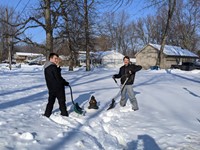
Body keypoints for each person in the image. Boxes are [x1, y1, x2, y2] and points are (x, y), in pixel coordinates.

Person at [43, 53, 69, 118]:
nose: (56, 60)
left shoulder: (46, 67)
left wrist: (58, 67)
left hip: (51, 87)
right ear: (50, 59)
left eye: (57, 58)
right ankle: (64, 114)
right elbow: (58, 77)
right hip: (58, 87)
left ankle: (47, 114)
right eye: (55, 58)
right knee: (62, 101)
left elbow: (55, 76)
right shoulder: (53, 67)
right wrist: (64, 82)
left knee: (51, 101)